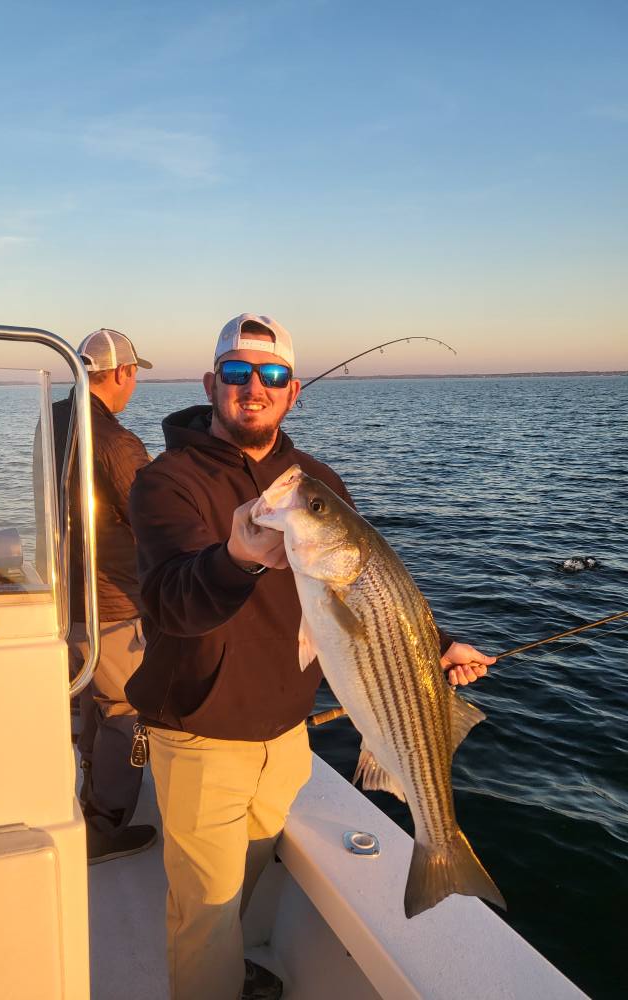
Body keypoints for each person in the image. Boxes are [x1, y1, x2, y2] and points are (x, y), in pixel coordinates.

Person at [126, 313, 494, 1000]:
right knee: (203, 917)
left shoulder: (313, 480)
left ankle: (230, 971)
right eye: (237, 374)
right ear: (212, 384)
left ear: (292, 392)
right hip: (202, 735)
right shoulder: (166, 482)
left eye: (271, 376)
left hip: (288, 737)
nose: (253, 388)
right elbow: (172, 601)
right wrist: (236, 557)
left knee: (243, 888)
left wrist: (438, 647)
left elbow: (373, 590)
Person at [53, 327, 157, 863]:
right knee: (123, 709)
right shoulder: (117, 443)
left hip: (64, 599)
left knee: (90, 699)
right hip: (113, 605)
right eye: (134, 373)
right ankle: (104, 825)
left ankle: (85, 799)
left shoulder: (51, 421)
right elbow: (156, 523)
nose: (134, 383)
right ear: (121, 374)